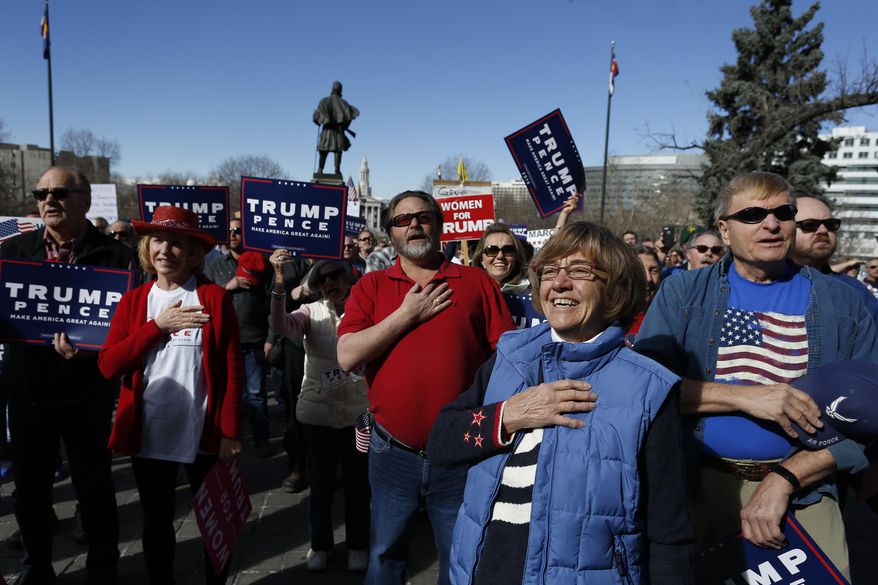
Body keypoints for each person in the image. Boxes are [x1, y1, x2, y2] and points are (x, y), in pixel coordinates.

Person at [636, 171, 878, 579]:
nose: (771, 224)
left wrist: (784, 479)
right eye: (753, 214)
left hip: (806, 494)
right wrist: (748, 396)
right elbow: (644, 390)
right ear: (725, 231)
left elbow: (869, 419)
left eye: (783, 212)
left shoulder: (845, 302)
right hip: (693, 482)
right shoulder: (683, 293)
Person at [428, 221, 695, 584]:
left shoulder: (649, 387)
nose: (559, 283)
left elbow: (669, 533)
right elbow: (442, 441)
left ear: (615, 286)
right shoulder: (509, 356)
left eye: (580, 271)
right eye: (549, 271)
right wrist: (508, 416)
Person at [337, 190, 514, 585]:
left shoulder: (476, 282)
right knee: (385, 555)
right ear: (391, 233)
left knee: (460, 556)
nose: (413, 224)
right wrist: (405, 316)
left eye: (423, 217)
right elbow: (347, 355)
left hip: (461, 451)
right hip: (392, 451)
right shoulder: (371, 286)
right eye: (402, 220)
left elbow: (508, 359)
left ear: (438, 224)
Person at [97, 206, 243, 585]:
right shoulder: (134, 301)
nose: (165, 250)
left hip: (203, 436)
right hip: (150, 436)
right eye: (158, 241)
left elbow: (231, 369)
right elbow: (109, 365)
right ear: (147, 247)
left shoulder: (212, 297)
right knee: (157, 523)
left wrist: (229, 432)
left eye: (177, 243)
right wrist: (156, 327)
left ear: (193, 252)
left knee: (215, 523)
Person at [0, 166, 129, 584]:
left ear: (86, 200)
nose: (48, 200)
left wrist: (92, 353)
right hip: (27, 392)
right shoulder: (12, 252)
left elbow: (126, 331)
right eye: (41, 193)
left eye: (60, 192)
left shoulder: (117, 257)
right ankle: (36, 564)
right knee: (30, 491)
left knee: (94, 486)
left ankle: (103, 563)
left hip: (87, 393)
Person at [269, 252, 370, 573]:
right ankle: (320, 544)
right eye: (323, 279)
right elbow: (282, 324)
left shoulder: (364, 309)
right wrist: (279, 283)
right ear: (317, 285)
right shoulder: (309, 312)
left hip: (357, 415)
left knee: (358, 486)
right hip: (318, 415)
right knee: (321, 486)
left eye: (336, 277)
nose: (331, 284)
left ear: (347, 279)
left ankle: (358, 544)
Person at [204, 219, 274, 457]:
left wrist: (270, 338)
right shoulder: (214, 265)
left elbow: (272, 303)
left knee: (255, 395)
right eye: (230, 230)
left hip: (254, 340)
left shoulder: (262, 265)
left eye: (238, 230)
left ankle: (261, 439)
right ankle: (227, 439)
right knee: (224, 393)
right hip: (222, 340)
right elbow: (204, 300)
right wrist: (228, 286)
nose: (233, 234)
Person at [790, 193, 878, 322]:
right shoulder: (761, 283)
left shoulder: (856, 292)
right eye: (810, 225)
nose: (823, 230)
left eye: (830, 224)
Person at [313, 80, 359, 175]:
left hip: (327, 131)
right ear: (340, 90)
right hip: (339, 132)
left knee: (323, 150)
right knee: (338, 150)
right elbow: (352, 115)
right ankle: (337, 170)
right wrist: (344, 125)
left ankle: (320, 169)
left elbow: (316, 117)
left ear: (332, 89)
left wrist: (318, 120)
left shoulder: (324, 101)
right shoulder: (344, 103)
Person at [470, 223, 530, 294]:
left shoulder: (532, 295)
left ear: (516, 256)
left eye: (508, 249)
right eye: (492, 250)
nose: (500, 256)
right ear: (481, 259)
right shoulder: (468, 292)